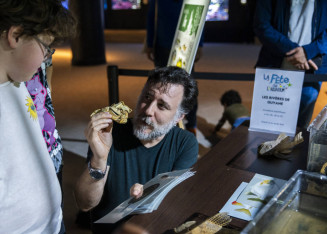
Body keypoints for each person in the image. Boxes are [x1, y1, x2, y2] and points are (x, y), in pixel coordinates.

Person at [74, 66, 199, 233]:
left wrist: (146, 199)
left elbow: (175, 206)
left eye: (162, 106)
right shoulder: (110, 133)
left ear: (179, 117)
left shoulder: (184, 143)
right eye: (147, 97)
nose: (148, 110)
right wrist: (99, 159)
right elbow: (85, 204)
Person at [0, 0, 75, 233]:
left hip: (52, 222)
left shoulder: (16, 79)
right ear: (17, 35)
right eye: (46, 46)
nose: (46, 58)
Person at [253, 0, 327, 128]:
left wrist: (309, 51)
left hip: (312, 65)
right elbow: (261, 24)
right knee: (268, 123)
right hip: (275, 61)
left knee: (299, 127)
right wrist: (295, 52)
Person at [145, 0, 203, 135]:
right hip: (162, 45)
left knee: (187, 86)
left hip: (186, 44)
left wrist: (199, 44)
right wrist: (149, 43)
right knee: (161, 87)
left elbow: (199, 17)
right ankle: (163, 121)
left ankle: (191, 123)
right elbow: (151, 18)